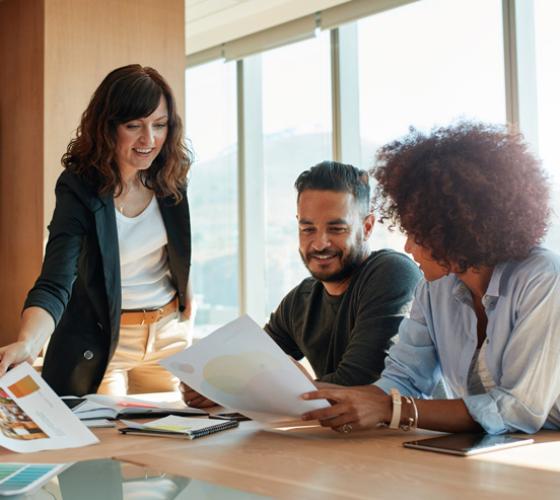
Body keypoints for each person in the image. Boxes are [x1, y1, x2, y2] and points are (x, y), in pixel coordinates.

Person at [301, 122, 560, 435]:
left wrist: (392, 410)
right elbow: (401, 380)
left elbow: (519, 410)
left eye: (417, 234)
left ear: (458, 230)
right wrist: (311, 395)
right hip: (491, 453)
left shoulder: (543, 279)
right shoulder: (433, 290)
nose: (408, 247)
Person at [0, 64, 193, 396]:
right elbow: (56, 280)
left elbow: (173, 246)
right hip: (106, 344)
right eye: (134, 126)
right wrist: (29, 342)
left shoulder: (170, 175)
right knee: (105, 444)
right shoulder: (79, 188)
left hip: (168, 338)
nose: (149, 139)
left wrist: (186, 292)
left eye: (159, 125)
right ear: (108, 127)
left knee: (174, 440)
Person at [181, 161, 421, 408]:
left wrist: (259, 387)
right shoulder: (301, 301)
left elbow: (354, 387)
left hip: (408, 440)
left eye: (336, 228)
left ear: (367, 227)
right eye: (308, 229)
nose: (319, 243)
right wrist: (208, 387)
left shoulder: (392, 273)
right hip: (344, 441)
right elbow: (248, 368)